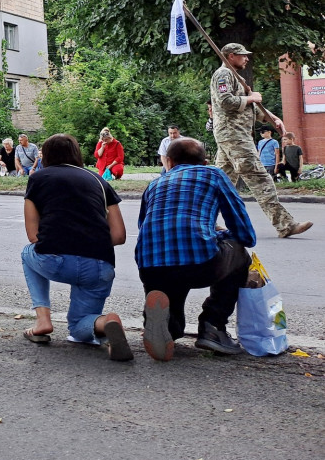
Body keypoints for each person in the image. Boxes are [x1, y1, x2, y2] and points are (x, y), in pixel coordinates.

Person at [136, 138, 257, 361]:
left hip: (150, 265)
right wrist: (228, 236)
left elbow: (144, 226)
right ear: (205, 161)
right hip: (199, 264)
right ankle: (213, 326)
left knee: (171, 277)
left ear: (169, 162)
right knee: (238, 252)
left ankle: (165, 325)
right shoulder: (213, 174)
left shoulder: (154, 184)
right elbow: (242, 229)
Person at [20, 133, 132, 361]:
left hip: (55, 259)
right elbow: (119, 236)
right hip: (100, 266)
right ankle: (106, 323)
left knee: (26, 253)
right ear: (77, 154)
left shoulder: (38, 178)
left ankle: (43, 320)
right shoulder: (101, 181)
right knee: (80, 328)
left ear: (47, 155)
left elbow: (33, 236)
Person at [211, 43, 311, 237]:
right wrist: (251, 98)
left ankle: (204, 220)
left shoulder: (236, 77)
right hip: (235, 136)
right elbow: (226, 102)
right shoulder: (223, 75)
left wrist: (271, 117)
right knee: (260, 178)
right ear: (231, 56)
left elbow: (251, 107)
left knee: (221, 183)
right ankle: (285, 225)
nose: (247, 58)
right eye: (243, 55)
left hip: (231, 136)